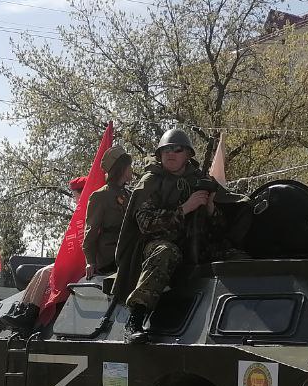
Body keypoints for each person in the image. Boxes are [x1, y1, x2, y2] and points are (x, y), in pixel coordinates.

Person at [119, 128, 245, 342]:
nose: (171, 153)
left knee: (240, 258)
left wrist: (211, 207)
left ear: (187, 154)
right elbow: (146, 224)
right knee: (165, 252)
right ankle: (136, 319)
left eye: (177, 149)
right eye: (166, 149)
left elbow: (221, 226)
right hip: (157, 245)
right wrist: (184, 208)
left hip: (196, 243)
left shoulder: (200, 179)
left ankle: (243, 319)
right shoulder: (151, 181)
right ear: (159, 155)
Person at [84, 145, 133, 277]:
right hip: (110, 258)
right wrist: (90, 261)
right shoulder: (100, 196)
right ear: (121, 168)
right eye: (129, 166)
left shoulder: (130, 195)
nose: (131, 169)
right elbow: (91, 231)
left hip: (129, 253)